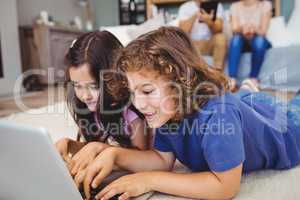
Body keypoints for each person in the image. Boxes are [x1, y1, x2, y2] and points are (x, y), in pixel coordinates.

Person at [77, 27, 300, 200]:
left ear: (180, 82)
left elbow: (226, 186)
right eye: (133, 92)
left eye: (146, 90)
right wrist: (113, 154)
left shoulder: (218, 116)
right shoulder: (166, 111)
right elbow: (162, 160)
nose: (139, 104)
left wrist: (149, 180)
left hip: (288, 125)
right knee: (242, 102)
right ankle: (246, 94)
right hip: (247, 105)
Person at [55, 31, 149, 183]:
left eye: (94, 86)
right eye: (78, 86)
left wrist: (101, 149)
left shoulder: (132, 113)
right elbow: (100, 146)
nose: (85, 96)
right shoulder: (93, 108)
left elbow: (142, 158)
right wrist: (72, 146)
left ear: (114, 77)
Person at [228, 0, 272, 89]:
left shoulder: (265, 5)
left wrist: (253, 28)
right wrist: (243, 28)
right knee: (235, 39)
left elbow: (263, 31)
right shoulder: (234, 6)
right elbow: (234, 29)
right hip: (242, 40)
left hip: (258, 39)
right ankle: (231, 79)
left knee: (259, 41)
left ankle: (253, 79)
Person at [178, 0, 227, 70]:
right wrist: (195, 15)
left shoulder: (217, 6)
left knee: (221, 37)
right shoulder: (185, 7)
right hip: (192, 45)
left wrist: (209, 21)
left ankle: (218, 74)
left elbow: (219, 29)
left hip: (209, 43)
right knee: (181, 42)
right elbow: (181, 31)